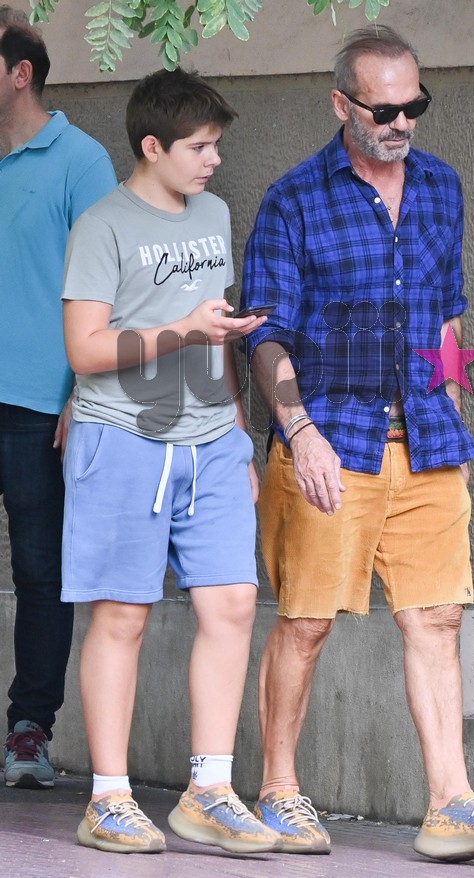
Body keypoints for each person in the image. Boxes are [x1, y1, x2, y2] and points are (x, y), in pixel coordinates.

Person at [240, 25, 474, 861]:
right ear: (342, 104)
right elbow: (265, 334)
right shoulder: (295, 199)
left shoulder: (442, 187)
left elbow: (447, 315)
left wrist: (451, 415)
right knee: (306, 623)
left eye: (415, 105)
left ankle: (451, 804)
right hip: (330, 442)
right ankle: (278, 793)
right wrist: (299, 433)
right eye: (384, 109)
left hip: (427, 442)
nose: (402, 122)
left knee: (437, 617)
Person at [60, 67, 281, 855]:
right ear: (152, 147)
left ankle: (209, 791)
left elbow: (215, 332)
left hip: (212, 441)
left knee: (233, 604)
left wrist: (238, 435)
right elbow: (85, 350)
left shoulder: (214, 212)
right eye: (199, 147)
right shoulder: (103, 227)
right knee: (123, 614)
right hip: (122, 437)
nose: (214, 160)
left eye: (217, 145)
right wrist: (183, 329)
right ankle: (109, 799)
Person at [0, 6, 116, 789]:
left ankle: (29, 732)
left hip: (41, 404)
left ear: (20, 73)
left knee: (42, 571)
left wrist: (85, 391)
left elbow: (109, 284)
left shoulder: (81, 160)